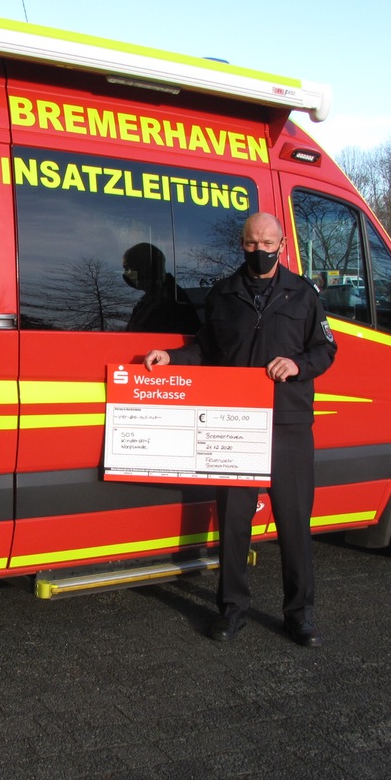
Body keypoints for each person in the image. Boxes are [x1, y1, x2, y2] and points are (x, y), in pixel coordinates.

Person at [144, 212, 336, 646]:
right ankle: (232, 610)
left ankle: (300, 615)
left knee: (293, 524)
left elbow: (326, 349)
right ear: (242, 244)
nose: (260, 250)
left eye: (268, 242)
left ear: (282, 244)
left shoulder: (303, 295)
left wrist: (299, 365)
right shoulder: (223, 295)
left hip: (288, 424)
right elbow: (207, 349)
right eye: (252, 243)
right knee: (233, 524)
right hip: (237, 424)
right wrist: (172, 358)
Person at [122, 242, 201, 334]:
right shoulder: (150, 298)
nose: (127, 273)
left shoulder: (171, 298)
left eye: (129, 268)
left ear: (145, 266)